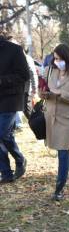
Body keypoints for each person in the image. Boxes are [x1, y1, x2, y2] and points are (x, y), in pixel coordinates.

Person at [41, 44, 69, 200]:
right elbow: (44, 90)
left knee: (62, 152)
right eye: (54, 58)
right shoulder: (49, 71)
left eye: (59, 58)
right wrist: (44, 94)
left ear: (67, 58)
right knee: (63, 150)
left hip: (68, 120)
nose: (56, 61)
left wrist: (62, 93)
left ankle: (58, 189)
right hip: (51, 117)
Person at [0, 30, 29, 184]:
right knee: (5, 135)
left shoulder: (14, 50)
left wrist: (2, 81)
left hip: (10, 99)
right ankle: (10, 169)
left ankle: (9, 169)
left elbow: (24, 75)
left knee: (1, 134)